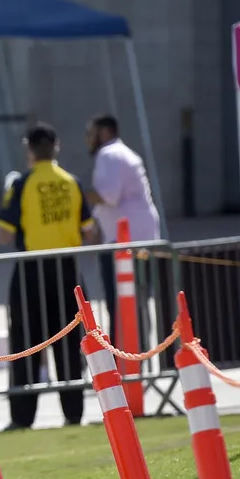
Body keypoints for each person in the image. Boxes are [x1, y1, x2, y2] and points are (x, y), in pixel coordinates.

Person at [0, 123, 99, 430]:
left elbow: (4, 234)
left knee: (26, 342)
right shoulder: (72, 182)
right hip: (67, 270)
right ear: (57, 147)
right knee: (69, 342)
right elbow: (90, 231)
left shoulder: (22, 183)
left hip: (32, 270)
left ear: (29, 150)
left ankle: (23, 416)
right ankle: (73, 413)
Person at [85, 114, 160, 346]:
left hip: (125, 244)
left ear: (105, 132)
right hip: (137, 239)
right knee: (135, 302)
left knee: (120, 305)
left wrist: (76, 194)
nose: (88, 139)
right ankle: (136, 357)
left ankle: (128, 362)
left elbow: (108, 196)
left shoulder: (109, 154)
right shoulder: (120, 153)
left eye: (91, 133)